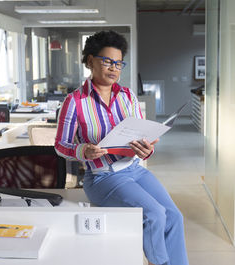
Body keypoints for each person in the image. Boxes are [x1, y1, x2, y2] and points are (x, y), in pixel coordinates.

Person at [54, 31, 188, 265]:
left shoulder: (127, 96)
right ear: (90, 61)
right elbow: (60, 145)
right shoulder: (74, 101)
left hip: (135, 170)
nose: (114, 68)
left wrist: (147, 149)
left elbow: (142, 137)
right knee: (155, 214)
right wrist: (82, 150)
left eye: (118, 63)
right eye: (107, 61)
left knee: (174, 216)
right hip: (102, 177)